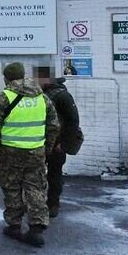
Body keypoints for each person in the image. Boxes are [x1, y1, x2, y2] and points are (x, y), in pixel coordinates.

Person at [0, 62, 60, 248]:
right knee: (35, 188)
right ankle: (37, 228)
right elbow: (53, 125)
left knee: (11, 187)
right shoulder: (41, 97)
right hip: (36, 151)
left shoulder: (4, 97)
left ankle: (14, 225)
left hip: (10, 152)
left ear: (6, 78)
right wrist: (46, 148)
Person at [37, 67, 80, 218]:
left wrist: (64, 144)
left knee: (54, 175)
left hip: (57, 144)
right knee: (38, 174)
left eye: (40, 78)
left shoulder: (62, 96)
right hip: (42, 142)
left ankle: (53, 204)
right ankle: (39, 203)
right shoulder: (43, 94)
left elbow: (73, 121)